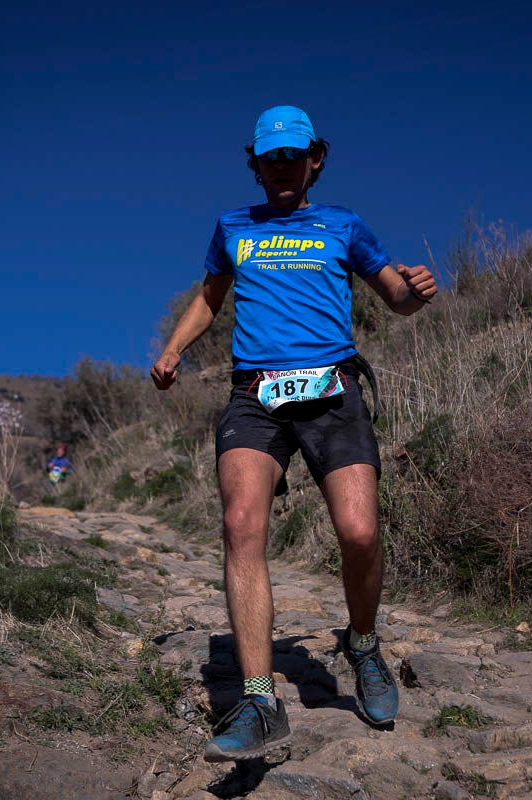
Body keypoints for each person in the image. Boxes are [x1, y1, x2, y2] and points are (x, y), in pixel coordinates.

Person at [150, 105, 437, 762]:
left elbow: (393, 293)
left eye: (293, 156)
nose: (281, 168)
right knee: (241, 522)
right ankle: (259, 701)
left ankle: (361, 643)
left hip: (333, 393)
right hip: (256, 397)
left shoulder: (343, 226)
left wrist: (415, 292)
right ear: (256, 164)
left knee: (360, 531)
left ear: (315, 160)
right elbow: (209, 297)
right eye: (269, 158)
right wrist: (173, 350)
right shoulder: (234, 228)